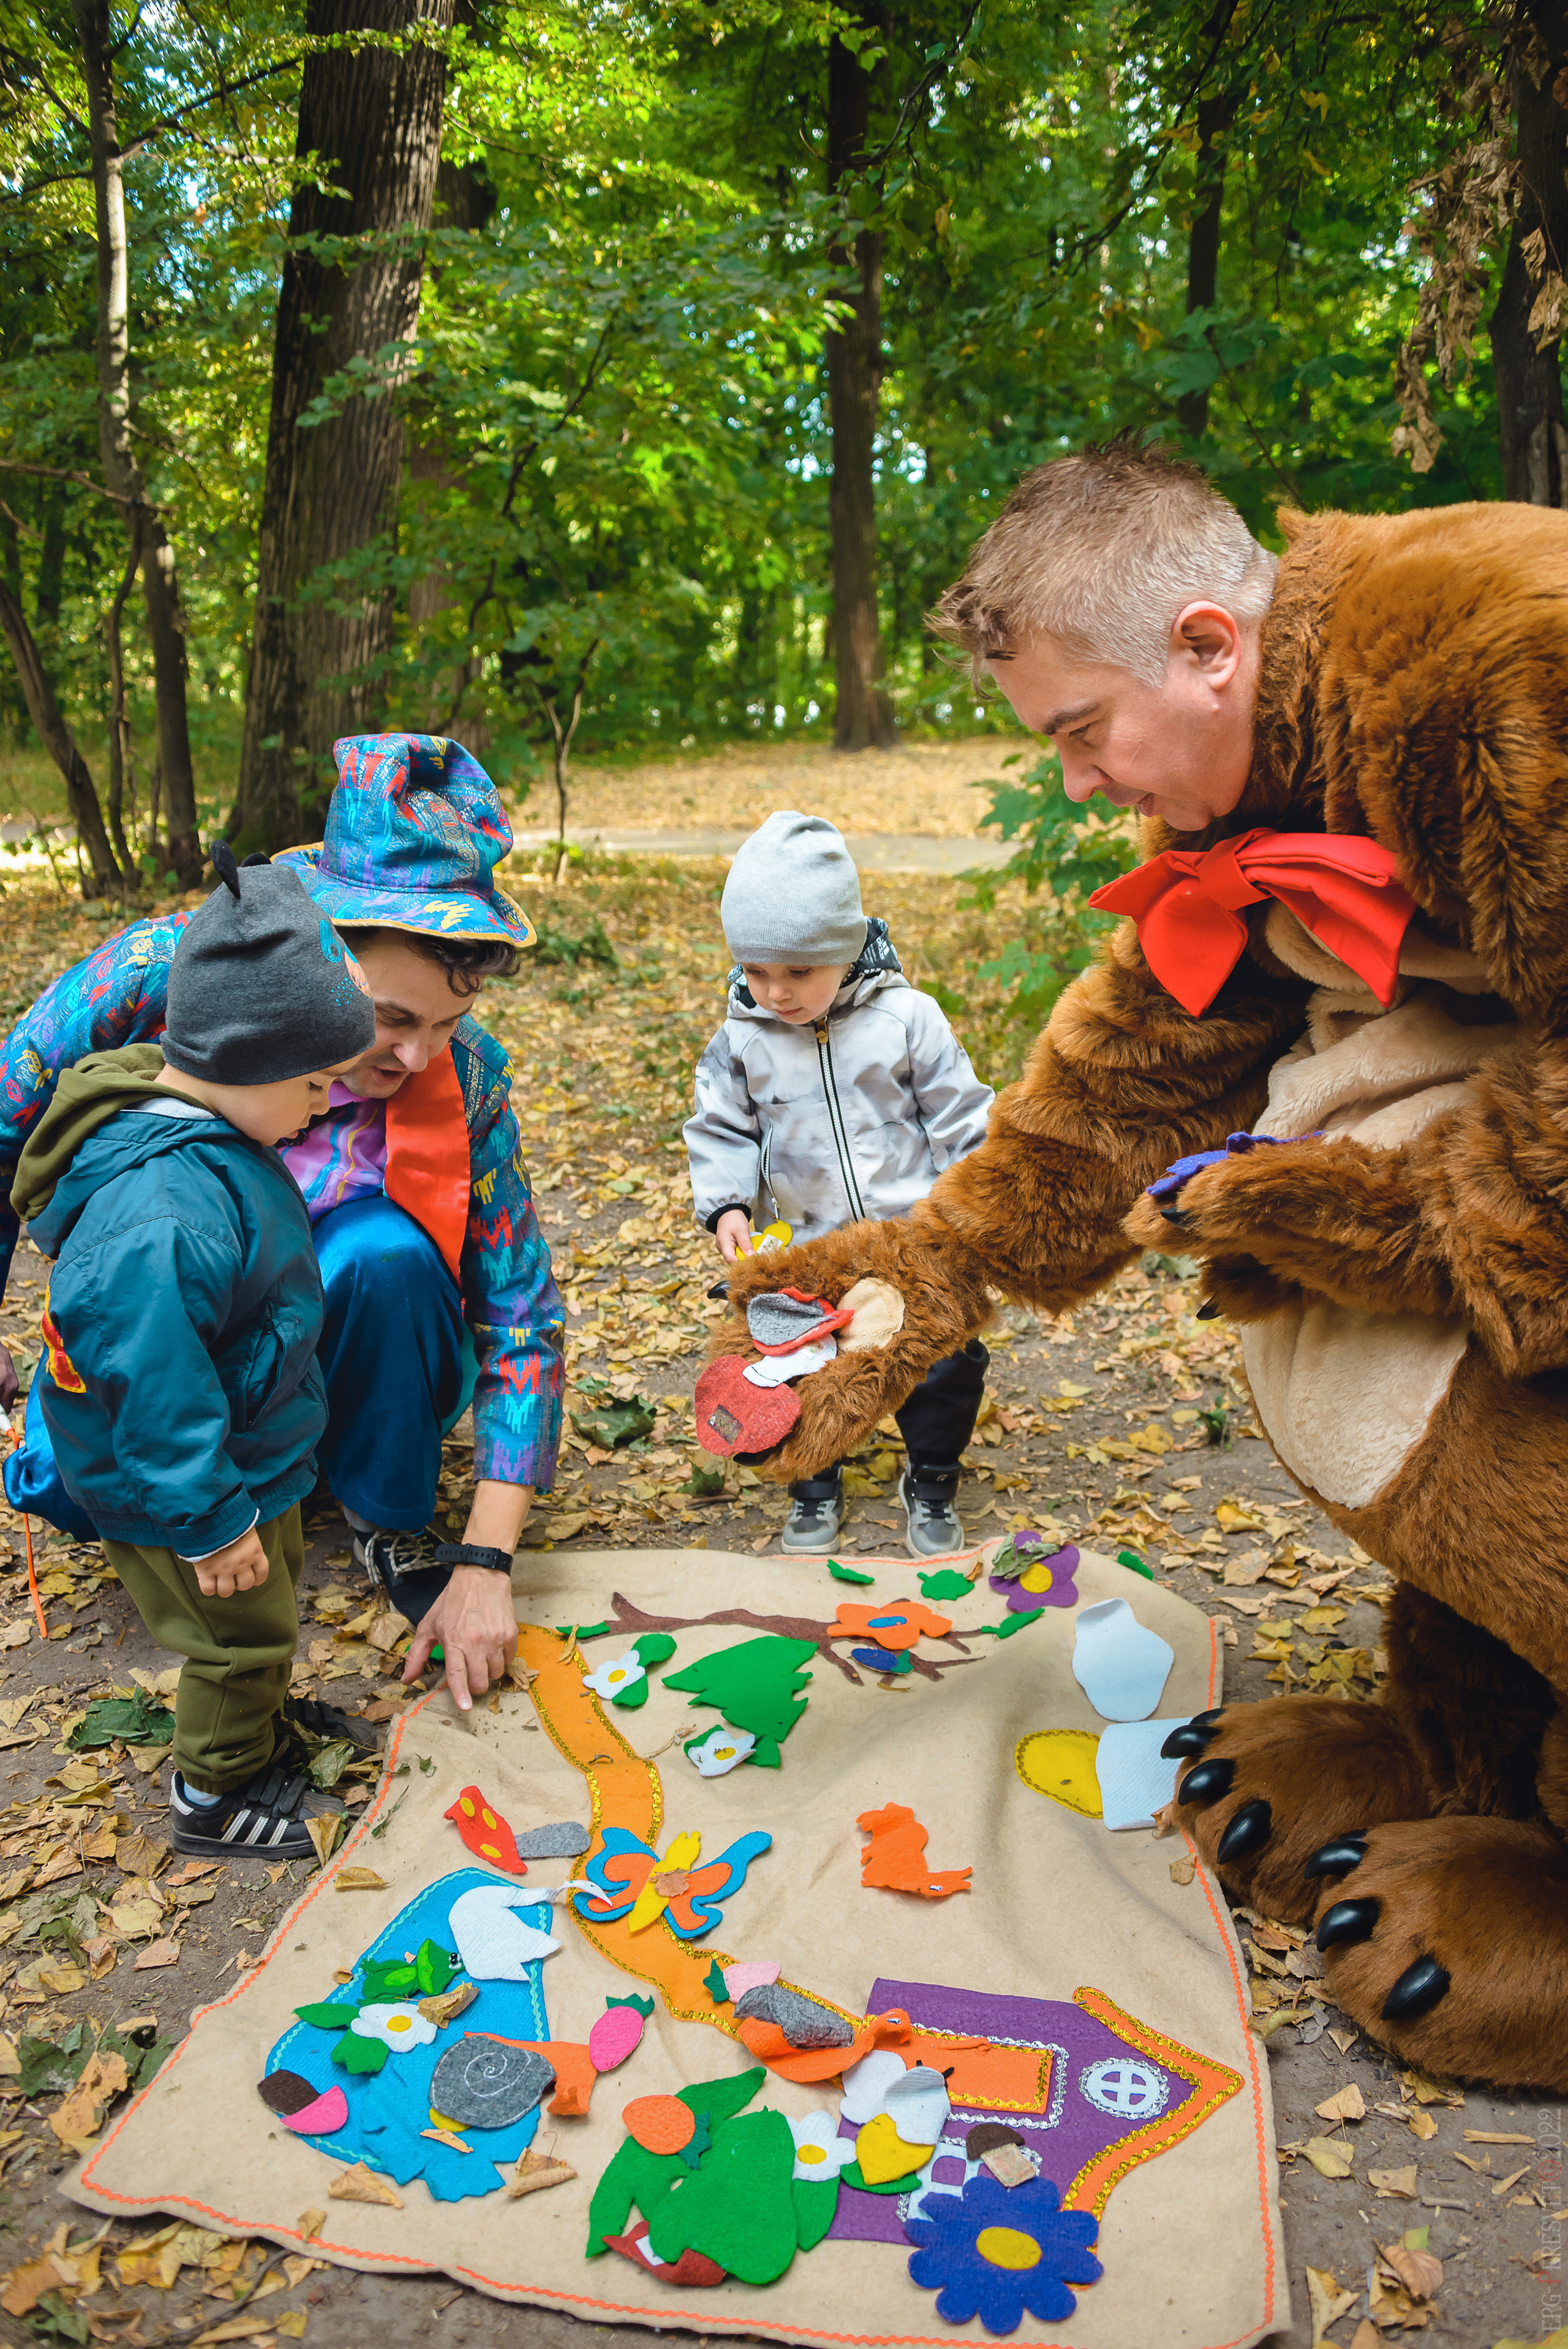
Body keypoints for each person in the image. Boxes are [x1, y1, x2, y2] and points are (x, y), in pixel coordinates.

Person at [715, 442, 1568, 2094]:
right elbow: (1116, 1096)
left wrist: (1374, 1223)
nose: (1084, 786)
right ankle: (1472, 1754)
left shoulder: (1507, 663)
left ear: (1205, 643)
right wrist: (909, 1294)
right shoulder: (1254, 774)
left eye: (1080, 734)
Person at [0, 734, 564, 1713]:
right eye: (392, 1018)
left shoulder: (462, 1076)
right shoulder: (157, 972)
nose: (422, 1056)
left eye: (448, 1022)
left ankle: (378, 1507)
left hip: (332, 1340)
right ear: (323, 949)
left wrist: (487, 1558)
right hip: (163, 1334)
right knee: (72, 1475)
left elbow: (520, 1316)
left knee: (386, 1253)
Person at [14, 849, 375, 1857]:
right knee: (238, 1632)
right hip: (178, 1482)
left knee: (270, 1602)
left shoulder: (216, 1130)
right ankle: (213, 1793)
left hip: (241, 1453)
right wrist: (211, 1523)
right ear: (248, 1063)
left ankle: (255, 1730)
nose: (324, 1107)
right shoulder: (162, 1214)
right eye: (315, 1086)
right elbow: (156, 1389)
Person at [684, 810, 993, 1556]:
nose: (776, 992)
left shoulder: (907, 1020)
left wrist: (978, 1205)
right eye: (756, 972)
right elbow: (723, 1126)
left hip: (913, 1242)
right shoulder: (743, 1038)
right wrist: (726, 1201)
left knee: (941, 1365)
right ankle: (811, 1481)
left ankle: (932, 1474)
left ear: (846, 947)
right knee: (795, 1366)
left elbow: (961, 1115)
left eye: (798, 972)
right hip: (808, 1247)